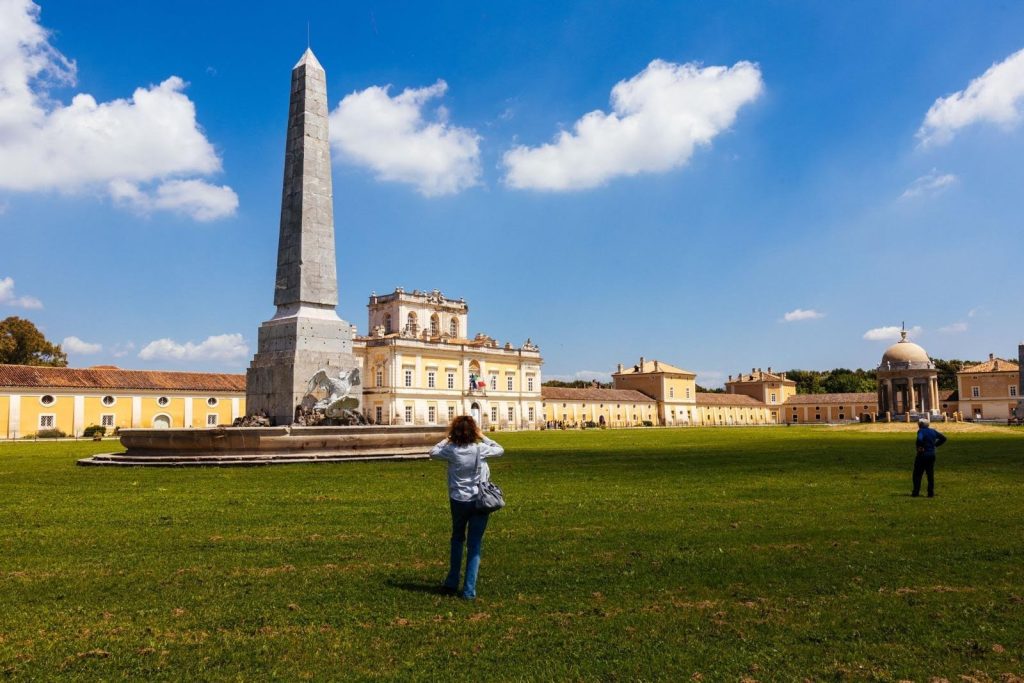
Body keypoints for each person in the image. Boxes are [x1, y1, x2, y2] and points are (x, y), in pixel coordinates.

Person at [429, 415, 504, 600]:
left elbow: (433, 452)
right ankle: (469, 590)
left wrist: (447, 438)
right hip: (480, 501)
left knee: (457, 539)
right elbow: (500, 450)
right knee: (474, 545)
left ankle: (452, 582)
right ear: (473, 432)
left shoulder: (451, 450)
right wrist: (483, 435)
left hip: (458, 500)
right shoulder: (480, 449)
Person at [913, 417, 947, 497]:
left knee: (917, 474)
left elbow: (919, 439)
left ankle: (916, 492)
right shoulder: (933, 431)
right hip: (931, 455)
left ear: (920, 425)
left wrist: (920, 446)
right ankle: (930, 492)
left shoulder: (921, 431)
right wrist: (935, 445)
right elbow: (943, 438)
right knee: (930, 474)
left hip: (922, 455)